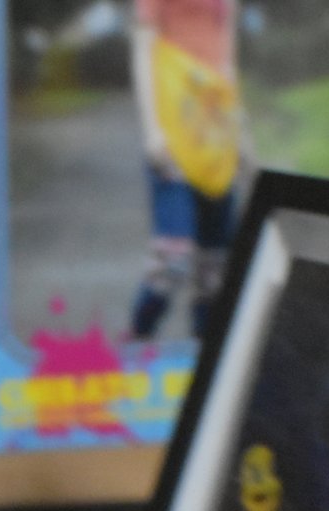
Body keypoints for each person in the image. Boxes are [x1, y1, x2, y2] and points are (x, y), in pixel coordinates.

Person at [126, 0, 246, 341]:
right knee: (173, 257)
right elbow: (143, 50)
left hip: (215, 133)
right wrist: (152, 130)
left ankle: (206, 354)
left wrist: (242, 140)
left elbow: (227, 64)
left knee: (215, 268)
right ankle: (136, 340)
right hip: (174, 132)